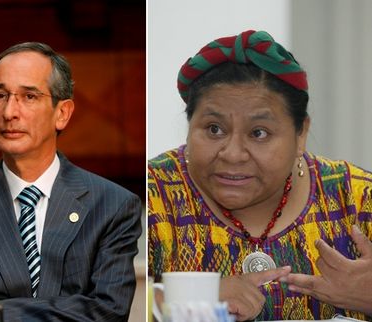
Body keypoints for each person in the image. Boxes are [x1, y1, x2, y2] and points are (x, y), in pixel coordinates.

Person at [148, 30, 372, 321]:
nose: (233, 153)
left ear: (300, 133)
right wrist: (192, 298)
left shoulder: (358, 199)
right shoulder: (155, 195)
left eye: (259, 133)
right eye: (214, 129)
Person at [0, 42, 142, 321]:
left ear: (62, 113)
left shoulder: (112, 206)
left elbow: (108, 312)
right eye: (0, 96)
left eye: (29, 97)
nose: (10, 112)